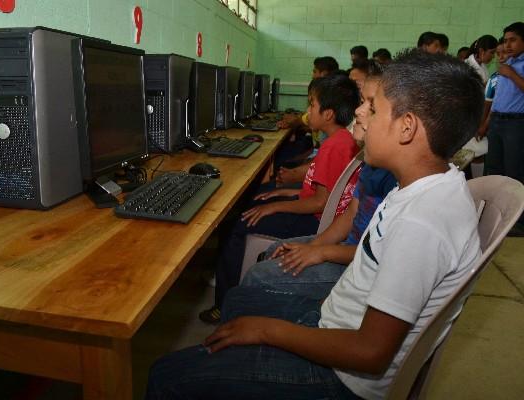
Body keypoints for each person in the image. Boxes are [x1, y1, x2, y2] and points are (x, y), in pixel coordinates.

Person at [146, 49, 484, 400]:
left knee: (167, 376)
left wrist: (267, 332)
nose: (357, 112)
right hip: (337, 317)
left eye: (372, 106)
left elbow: (370, 353)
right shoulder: (422, 187)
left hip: (342, 379)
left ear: (407, 127)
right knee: (241, 301)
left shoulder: (423, 222)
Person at [199, 75, 360, 324]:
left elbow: (320, 202)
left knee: (237, 226)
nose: (307, 111)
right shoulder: (340, 141)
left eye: (312, 105)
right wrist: (284, 193)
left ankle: (224, 303)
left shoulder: (334, 146)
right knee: (255, 204)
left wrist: (276, 206)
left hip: (315, 222)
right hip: (318, 214)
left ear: (328, 114)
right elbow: (320, 191)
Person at [242, 67, 397, 300]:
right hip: (343, 242)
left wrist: (321, 251)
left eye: (371, 105)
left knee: (256, 266)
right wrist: (316, 246)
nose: (359, 110)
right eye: (362, 102)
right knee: (273, 250)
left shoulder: (346, 148)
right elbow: (352, 213)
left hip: (357, 267)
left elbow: (377, 253)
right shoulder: (369, 160)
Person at [485, 22, 524, 234]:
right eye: (506, 40)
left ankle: (517, 221)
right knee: (495, 170)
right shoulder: (507, 63)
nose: (507, 45)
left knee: (514, 172)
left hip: (516, 123)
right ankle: (497, 215)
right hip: (498, 121)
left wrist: (510, 73)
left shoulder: (515, 66)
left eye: (513, 40)